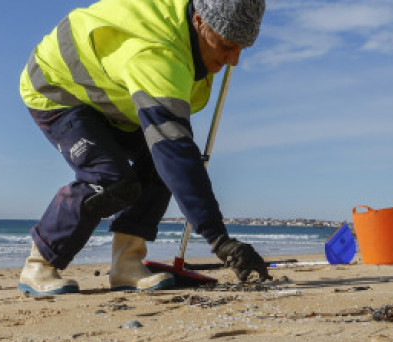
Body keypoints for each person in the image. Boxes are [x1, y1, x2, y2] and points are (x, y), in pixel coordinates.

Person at [17, 0, 271, 296]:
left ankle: (127, 265)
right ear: (199, 22)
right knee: (110, 180)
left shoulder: (191, 34)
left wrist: (224, 45)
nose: (234, 60)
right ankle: (40, 264)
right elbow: (175, 152)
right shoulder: (157, 53)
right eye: (228, 46)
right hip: (59, 88)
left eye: (242, 48)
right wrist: (220, 241)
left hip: (113, 95)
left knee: (158, 166)